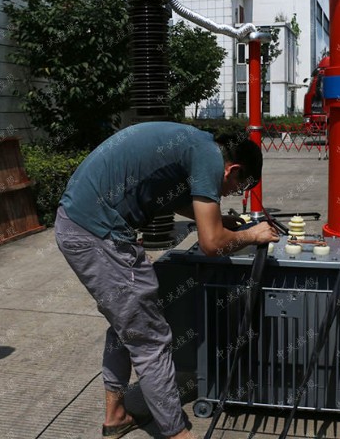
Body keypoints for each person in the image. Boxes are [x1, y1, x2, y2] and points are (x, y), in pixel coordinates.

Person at [55, 122, 278, 439]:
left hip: (81, 224)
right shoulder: (209, 157)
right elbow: (212, 244)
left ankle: (116, 416)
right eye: (236, 188)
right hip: (97, 234)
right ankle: (176, 433)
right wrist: (252, 234)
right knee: (150, 339)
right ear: (233, 169)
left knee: (127, 323)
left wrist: (217, 219)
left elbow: (171, 197)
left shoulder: (196, 144)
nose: (228, 194)